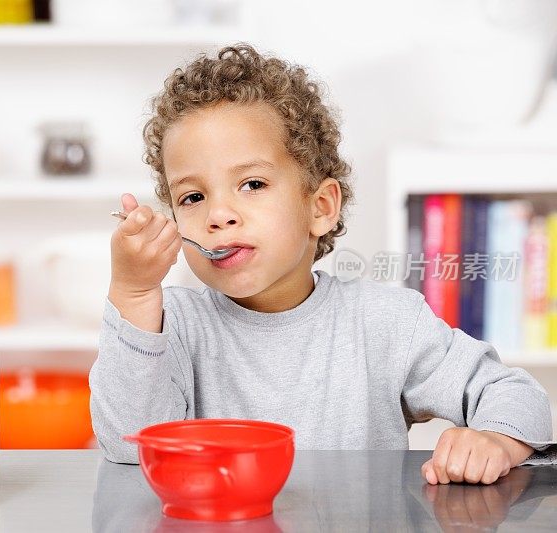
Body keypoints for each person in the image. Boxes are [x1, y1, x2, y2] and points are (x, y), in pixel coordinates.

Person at [89, 43, 554, 485]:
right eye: (192, 196)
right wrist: (134, 294)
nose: (218, 215)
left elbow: (519, 396)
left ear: (320, 207)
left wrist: (496, 439)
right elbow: (130, 446)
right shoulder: (172, 328)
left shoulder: (386, 325)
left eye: (251, 184)